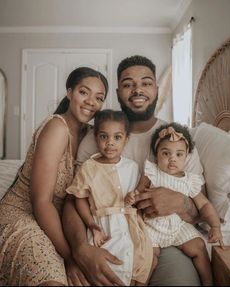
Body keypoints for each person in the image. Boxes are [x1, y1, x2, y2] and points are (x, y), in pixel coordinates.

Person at [62, 55, 205, 286]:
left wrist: (181, 203)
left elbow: (202, 209)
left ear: (156, 89)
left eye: (146, 83)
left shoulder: (176, 140)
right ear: (118, 92)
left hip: (164, 241)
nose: (138, 90)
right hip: (105, 238)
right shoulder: (95, 139)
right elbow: (72, 200)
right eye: (128, 84)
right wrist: (80, 249)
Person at [0, 67, 108, 286]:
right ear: (69, 92)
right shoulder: (57, 128)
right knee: (53, 280)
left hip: (60, 218)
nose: (91, 102)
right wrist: (71, 257)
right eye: (83, 92)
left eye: (99, 98)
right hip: (24, 213)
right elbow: (41, 201)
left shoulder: (89, 134)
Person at [125, 122, 224, 286]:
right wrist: (132, 197)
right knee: (149, 258)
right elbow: (139, 192)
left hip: (178, 226)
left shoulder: (190, 181)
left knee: (199, 247)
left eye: (179, 154)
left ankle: (209, 283)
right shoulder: (152, 173)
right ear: (156, 155)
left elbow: (204, 205)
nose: (172, 159)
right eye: (166, 153)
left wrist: (215, 227)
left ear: (186, 157)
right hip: (152, 226)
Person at [66, 109, 153, 286]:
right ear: (96, 137)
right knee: (108, 269)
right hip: (104, 227)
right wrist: (91, 224)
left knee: (140, 264)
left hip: (131, 226)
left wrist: (133, 197)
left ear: (126, 139)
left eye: (117, 137)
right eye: (104, 137)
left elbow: (137, 195)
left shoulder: (132, 167)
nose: (110, 143)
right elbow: (79, 198)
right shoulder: (89, 168)